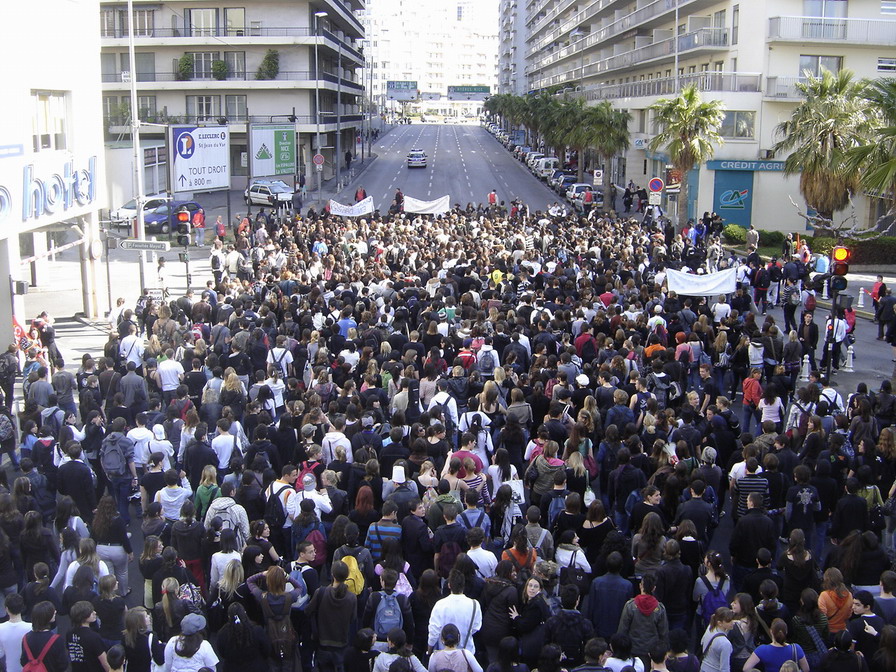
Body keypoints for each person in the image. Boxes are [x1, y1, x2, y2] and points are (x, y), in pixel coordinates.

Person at [743, 619, 809, 672]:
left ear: (771, 632)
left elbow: (746, 669)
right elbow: (806, 669)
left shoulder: (762, 649)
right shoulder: (796, 648)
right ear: (786, 632)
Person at [21, 601, 68, 672]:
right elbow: (63, 664)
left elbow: (23, 661)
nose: (55, 612)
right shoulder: (57, 640)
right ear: (47, 617)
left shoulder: (26, 638)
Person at [0, 593, 33, 672]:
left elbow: (0, 653)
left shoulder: (1, 628)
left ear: (6, 609)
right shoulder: (31, 628)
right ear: (22, 608)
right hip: (29, 668)